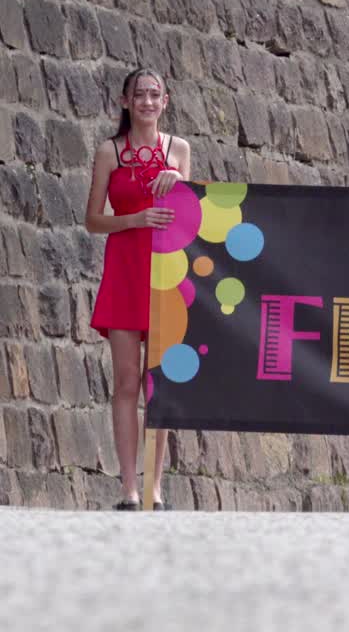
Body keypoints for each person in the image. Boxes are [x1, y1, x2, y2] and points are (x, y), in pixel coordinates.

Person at [86, 68, 191, 511]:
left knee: (158, 383)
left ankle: (155, 488)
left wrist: (178, 182)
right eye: (139, 95)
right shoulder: (110, 152)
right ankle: (129, 487)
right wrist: (133, 219)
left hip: (167, 272)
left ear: (165, 101)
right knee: (127, 380)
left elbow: (192, 216)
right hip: (126, 267)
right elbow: (93, 220)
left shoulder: (179, 149)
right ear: (125, 101)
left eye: (155, 94)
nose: (147, 102)